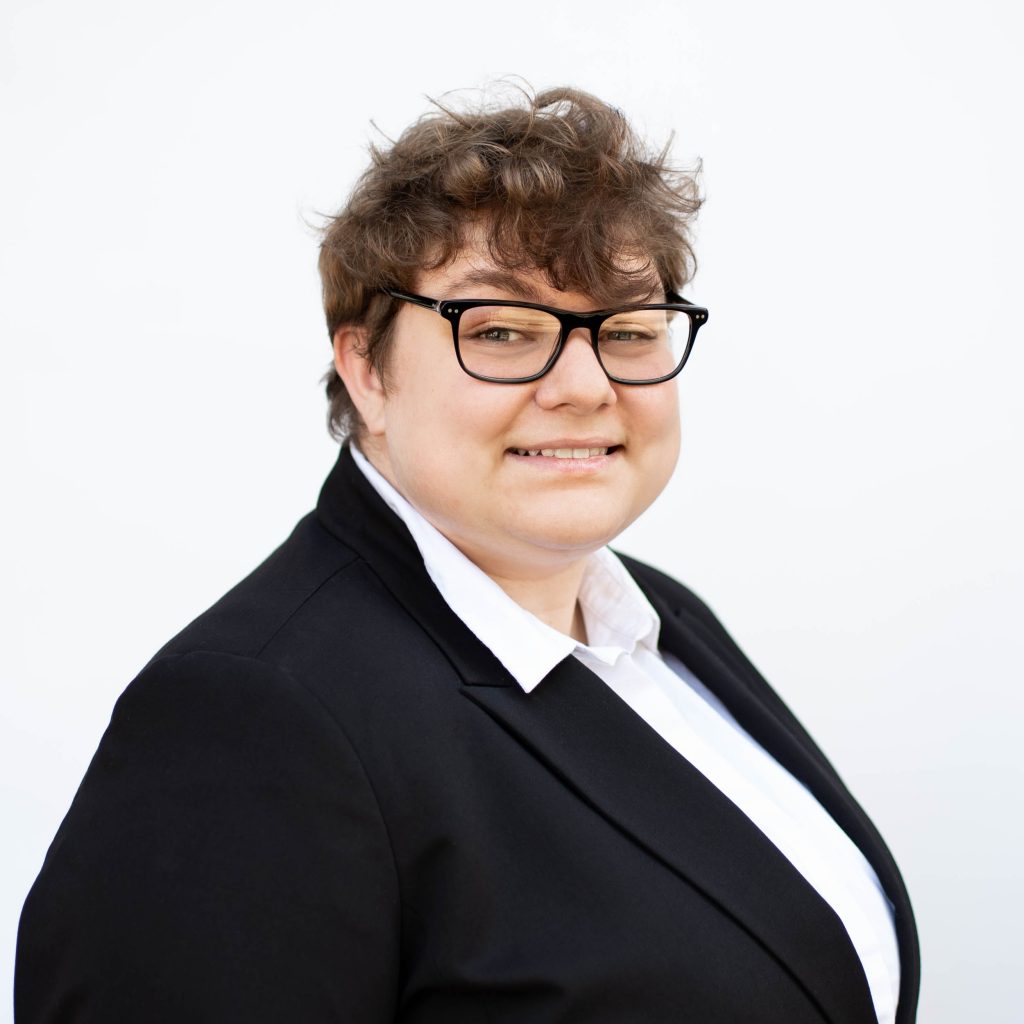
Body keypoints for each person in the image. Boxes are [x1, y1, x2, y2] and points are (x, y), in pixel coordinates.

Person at [15, 86, 919, 1023]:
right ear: (367, 369)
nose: (585, 385)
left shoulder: (657, 622)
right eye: (501, 331)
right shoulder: (250, 720)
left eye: (628, 330)